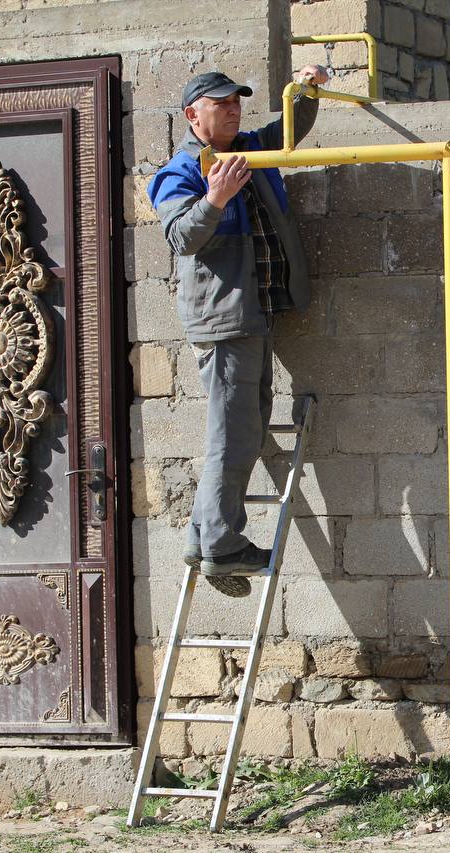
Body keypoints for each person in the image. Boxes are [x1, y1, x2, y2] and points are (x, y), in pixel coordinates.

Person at [147, 65, 328, 596]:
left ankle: (201, 536)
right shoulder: (181, 171)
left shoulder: (249, 148)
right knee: (234, 434)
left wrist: (307, 89)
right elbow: (182, 237)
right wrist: (215, 198)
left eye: (236, 102)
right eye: (221, 103)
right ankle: (222, 547)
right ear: (192, 114)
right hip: (222, 320)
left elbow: (290, 128)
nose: (232, 110)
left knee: (246, 425)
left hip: (253, 311)